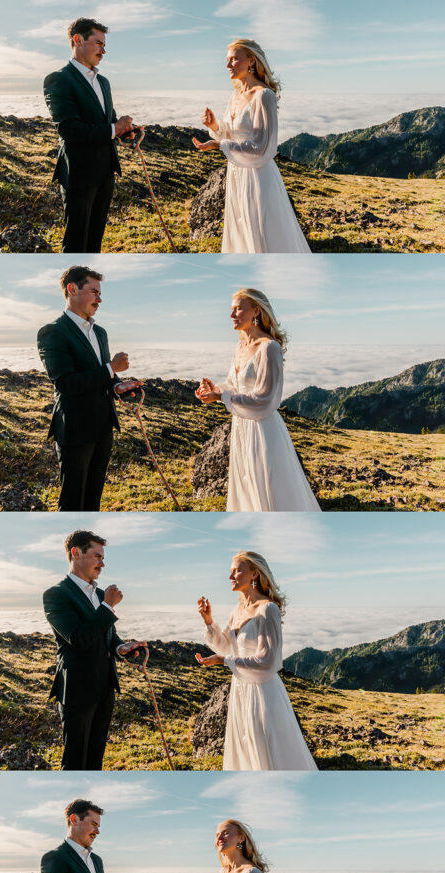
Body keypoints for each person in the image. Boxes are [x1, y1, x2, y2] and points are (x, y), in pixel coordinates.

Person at [195, 288, 320, 511]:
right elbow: (234, 385)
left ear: (255, 311)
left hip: (263, 431)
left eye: (237, 309)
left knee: (269, 488)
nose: (232, 315)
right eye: (231, 310)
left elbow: (266, 398)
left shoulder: (269, 348)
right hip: (241, 427)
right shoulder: (239, 348)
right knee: (246, 486)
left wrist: (221, 396)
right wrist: (215, 389)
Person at [196, 550, 317, 771]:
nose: (230, 576)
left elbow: (269, 661)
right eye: (230, 571)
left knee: (266, 750)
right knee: (244, 750)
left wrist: (225, 661)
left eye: (236, 571)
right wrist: (208, 621)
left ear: (254, 573)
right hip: (240, 690)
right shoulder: (238, 610)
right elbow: (225, 645)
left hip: (263, 694)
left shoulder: (268, 609)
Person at [38, 265, 142, 511]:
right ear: (72, 289)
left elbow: (104, 376)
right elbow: (65, 383)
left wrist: (118, 385)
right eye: (93, 291)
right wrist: (111, 369)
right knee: (73, 501)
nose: (99, 298)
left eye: (100, 292)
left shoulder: (100, 333)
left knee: (94, 499)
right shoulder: (52, 332)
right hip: (74, 429)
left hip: (104, 426)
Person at [193, 38, 310, 253]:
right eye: (227, 60)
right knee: (241, 229)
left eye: (234, 59)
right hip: (237, 173)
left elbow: (263, 146)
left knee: (262, 231)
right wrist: (215, 125)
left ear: (251, 61)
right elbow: (231, 132)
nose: (228, 66)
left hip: (259, 177)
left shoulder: (264, 96)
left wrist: (220, 145)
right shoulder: (234, 95)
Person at [42, 529, 146, 770]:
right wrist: (108, 606)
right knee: (76, 760)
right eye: (97, 556)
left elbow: (107, 635)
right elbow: (77, 639)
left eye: (103, 557)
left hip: (105, 687)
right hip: (77, 690)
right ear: (76, 553)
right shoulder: (56, 595)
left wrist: (121, 647)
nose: (102, 563)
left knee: (96, 757)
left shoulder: (99, 594)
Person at [43, 17, 137, 252]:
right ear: (78, 40)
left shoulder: (103, 82)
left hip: (106, 171)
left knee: (95, 240)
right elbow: (69, 129)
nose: (103, 51)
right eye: (98, 43)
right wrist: (114, 129)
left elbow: (109, 122)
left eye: (104, 45)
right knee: (76, 241)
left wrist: (126, 132)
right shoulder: (58, 79)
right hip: (78, 174)